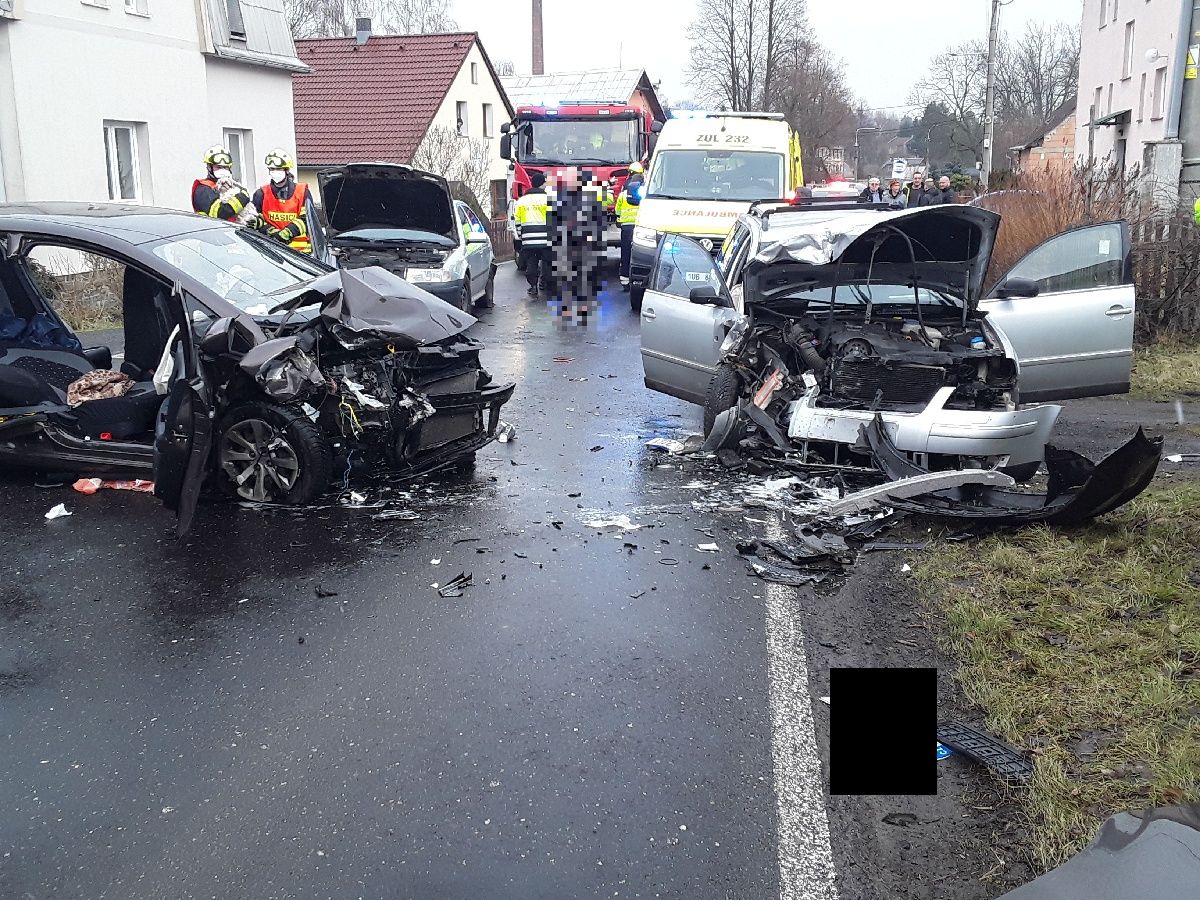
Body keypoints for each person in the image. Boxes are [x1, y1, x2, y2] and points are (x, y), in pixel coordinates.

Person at [253, 149, 315, 254]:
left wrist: (287, 233)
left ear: (287, 170)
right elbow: (255, 220)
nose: (274, 172)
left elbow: (307, 219)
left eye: (278, 169)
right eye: (272, 169)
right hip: (272, 251)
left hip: (301, 253)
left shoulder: (302, 191)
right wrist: (271, 231)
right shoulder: (261, 194)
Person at [512, 172, 552, 297]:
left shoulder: (521, 201)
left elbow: (517, 221)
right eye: (545, 183)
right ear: (541, 184)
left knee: (531, 263)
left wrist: (521, 236)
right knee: (548, 262)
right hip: (546, 240)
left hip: (528, 240)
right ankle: (546, 283)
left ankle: (533, 286)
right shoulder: (548, 199)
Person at [192, 145, 252, 222]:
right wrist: (242, 197)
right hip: (214, 228)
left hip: (232, 228)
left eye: (225, 167)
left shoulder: (232, 186)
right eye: (218, 167)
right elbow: (220, 213)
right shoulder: (203, 189)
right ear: (209, 167)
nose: (223, 170)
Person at [614, 162, 645, 288]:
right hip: (641, 226)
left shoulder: (623, 194)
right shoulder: (645, 193)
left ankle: (624, 280)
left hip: (626, 227)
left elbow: (617, 211)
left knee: (625, 252)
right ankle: (640, 279)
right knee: (642, 252)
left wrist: (619, 219)